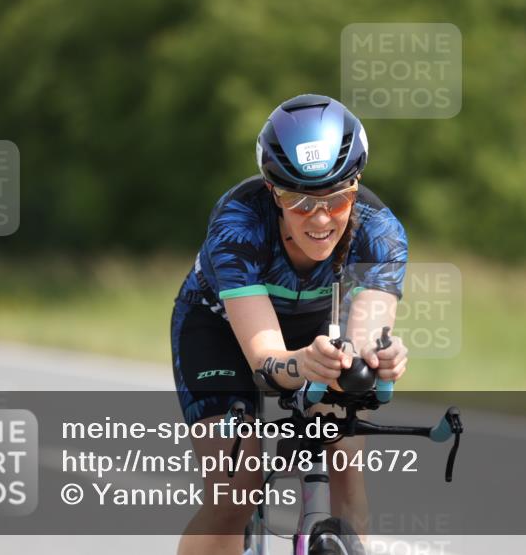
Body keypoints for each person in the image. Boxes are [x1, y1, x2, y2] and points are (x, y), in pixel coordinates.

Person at [170, 94, 409, 555]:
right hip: (219, 332)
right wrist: (301, 364)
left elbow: (363, 341)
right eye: (297, 201)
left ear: (356, 186)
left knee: (344, 462)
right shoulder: (238, 225)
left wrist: (379, 359)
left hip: (316, 333)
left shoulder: (380, 233)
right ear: (271, 189)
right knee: (234, 491)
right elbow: (267, 360)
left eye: (336, 200)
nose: (319, 218)